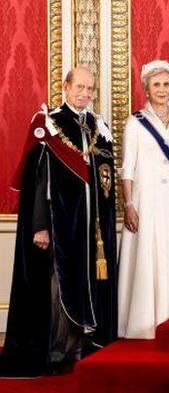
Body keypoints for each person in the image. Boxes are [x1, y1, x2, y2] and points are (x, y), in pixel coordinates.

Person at [0, 66, 118, 376]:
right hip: (59, 225)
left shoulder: (97, 125)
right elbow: (39, 180)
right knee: (58, 288)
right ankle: (55, 353)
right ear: (65, 88)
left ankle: (79, 349)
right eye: (79, 87)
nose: (85, 94)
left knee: (84, 284)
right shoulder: (50, 124)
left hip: (91, 230)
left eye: (90, 89)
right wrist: (40, 225)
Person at [117, 61, 169, 339]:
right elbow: (128, 168)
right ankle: (143, 323)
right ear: (147, 90)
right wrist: (128, 204)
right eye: (156, 85)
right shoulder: (135, 123)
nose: (162, 90)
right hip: (145, 199)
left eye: (166, 85)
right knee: (148, 254)